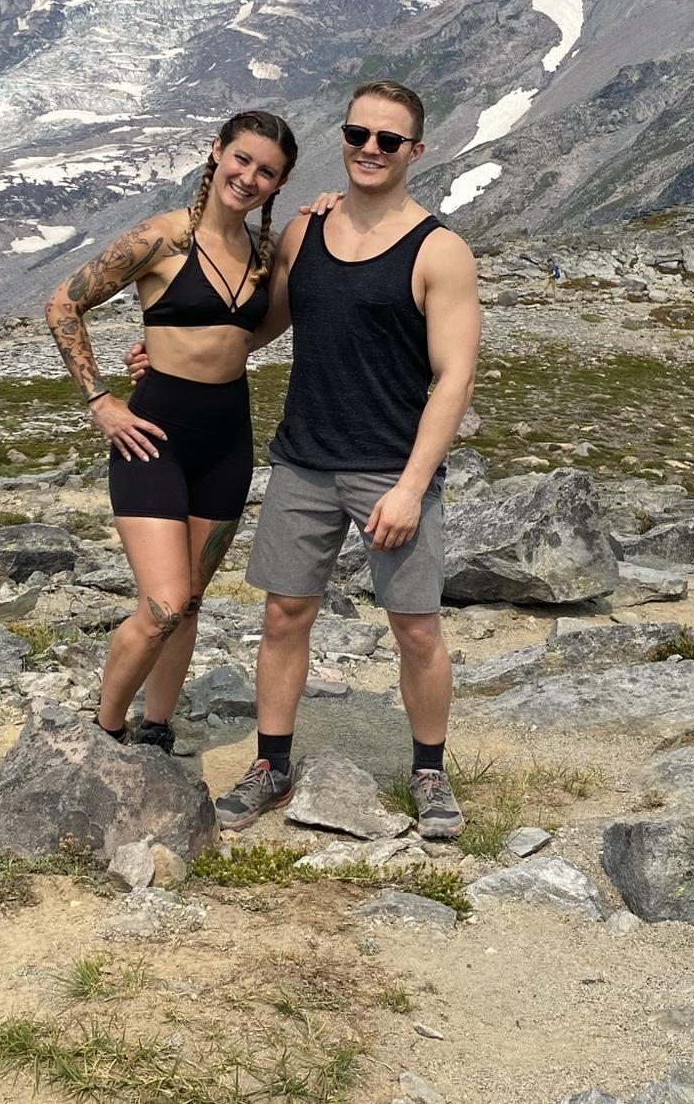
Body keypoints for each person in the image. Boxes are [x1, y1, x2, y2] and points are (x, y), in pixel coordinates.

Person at [202, 80, 481, 837]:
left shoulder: (441, 250)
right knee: (285, 614)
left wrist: (412, 487)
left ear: (415, 152)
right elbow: (270, 324)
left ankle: (429, 770)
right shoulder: (304, 232)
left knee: (416, 626)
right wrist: (181, 353)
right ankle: (272, 763)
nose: (370, 149)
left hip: (392, 469)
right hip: (302, 459)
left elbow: (455, 375)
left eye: (389, 140)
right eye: (359, 133)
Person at [44, 111, 297, 752]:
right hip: (152, 436)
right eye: (241, 159)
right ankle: (105, 732)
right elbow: (63, 303)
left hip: (227, 442)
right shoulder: (160, 239)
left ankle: (157, 729)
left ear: (278, 184)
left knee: (188, 604)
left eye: (267, 171)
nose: (249, 176)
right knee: (160, 604)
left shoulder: (265, 255)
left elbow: (255, 329)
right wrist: (100, 399)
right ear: (216, 154)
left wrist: (200, 345)